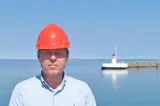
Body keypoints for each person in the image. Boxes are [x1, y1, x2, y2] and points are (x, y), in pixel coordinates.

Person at [9, 24, 96, 106]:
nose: (53, 58)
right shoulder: (22, 91)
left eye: (58, 52)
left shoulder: (82, 91)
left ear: (67, 56)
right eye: (47, 52)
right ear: (38, 56)